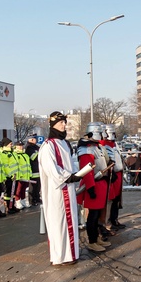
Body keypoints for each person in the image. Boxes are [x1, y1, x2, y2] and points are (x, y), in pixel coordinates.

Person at [39, 112, 82, 265]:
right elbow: (52, 169)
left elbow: (69, 163)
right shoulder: (48, 146)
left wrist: (79, 172)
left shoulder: (65, 143)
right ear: (52, 125)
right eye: (60, 123)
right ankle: (61, 256)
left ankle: (71, 253)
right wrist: (68, 176)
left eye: (64, 122)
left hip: (68, 188)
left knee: (70, 220)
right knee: (59, 222)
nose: (64, 125)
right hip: (57, 191)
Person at [76, 125, 108, 253]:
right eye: (99, 133)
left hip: (100, 183)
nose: (102, 135)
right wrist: (90, 188)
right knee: (93, 216)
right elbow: (87, 170)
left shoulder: (95, 147)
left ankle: (96, 238)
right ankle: (92, 241)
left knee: (98, 214)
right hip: (93, 184)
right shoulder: (86, 149)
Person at [101, 124, 126, 229]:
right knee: (110, 200)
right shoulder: (103, 144)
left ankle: (114, 219)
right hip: (111, 175)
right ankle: (108, 223)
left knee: (116, 199)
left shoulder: (114, 144)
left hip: (118, 174)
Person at [0, 138, 19, 214]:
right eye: (10, 144)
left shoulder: (12, 152)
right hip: (9, 177)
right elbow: (6, 166)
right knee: (9, 192)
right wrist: (10, 175)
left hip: (14, 176)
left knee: (13, 192)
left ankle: (12, 205)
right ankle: (8, 207)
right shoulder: (4, 153)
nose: (11, 145)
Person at [13, 141, 32, 210]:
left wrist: (29, 173)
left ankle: (23, 201)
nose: (21, 147)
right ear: (16, 146)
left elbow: (28, 166)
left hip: (26, 175)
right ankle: (17, 202)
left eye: (21, 145)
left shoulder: (25, 155)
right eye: (19, 145)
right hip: (20, 176)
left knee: (24, 189)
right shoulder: (15, 154)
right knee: (18, 190)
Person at [25, 135, 41, 206]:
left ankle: (37, 198)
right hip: (33, 170)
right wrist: (39, 152)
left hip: (38, 169)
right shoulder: (29, 148)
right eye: (34, 139)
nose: (36, 140)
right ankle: (31, 200)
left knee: (38, 186)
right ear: (31, 140)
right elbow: (33, 157)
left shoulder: (36, 147)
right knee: (32, 187)